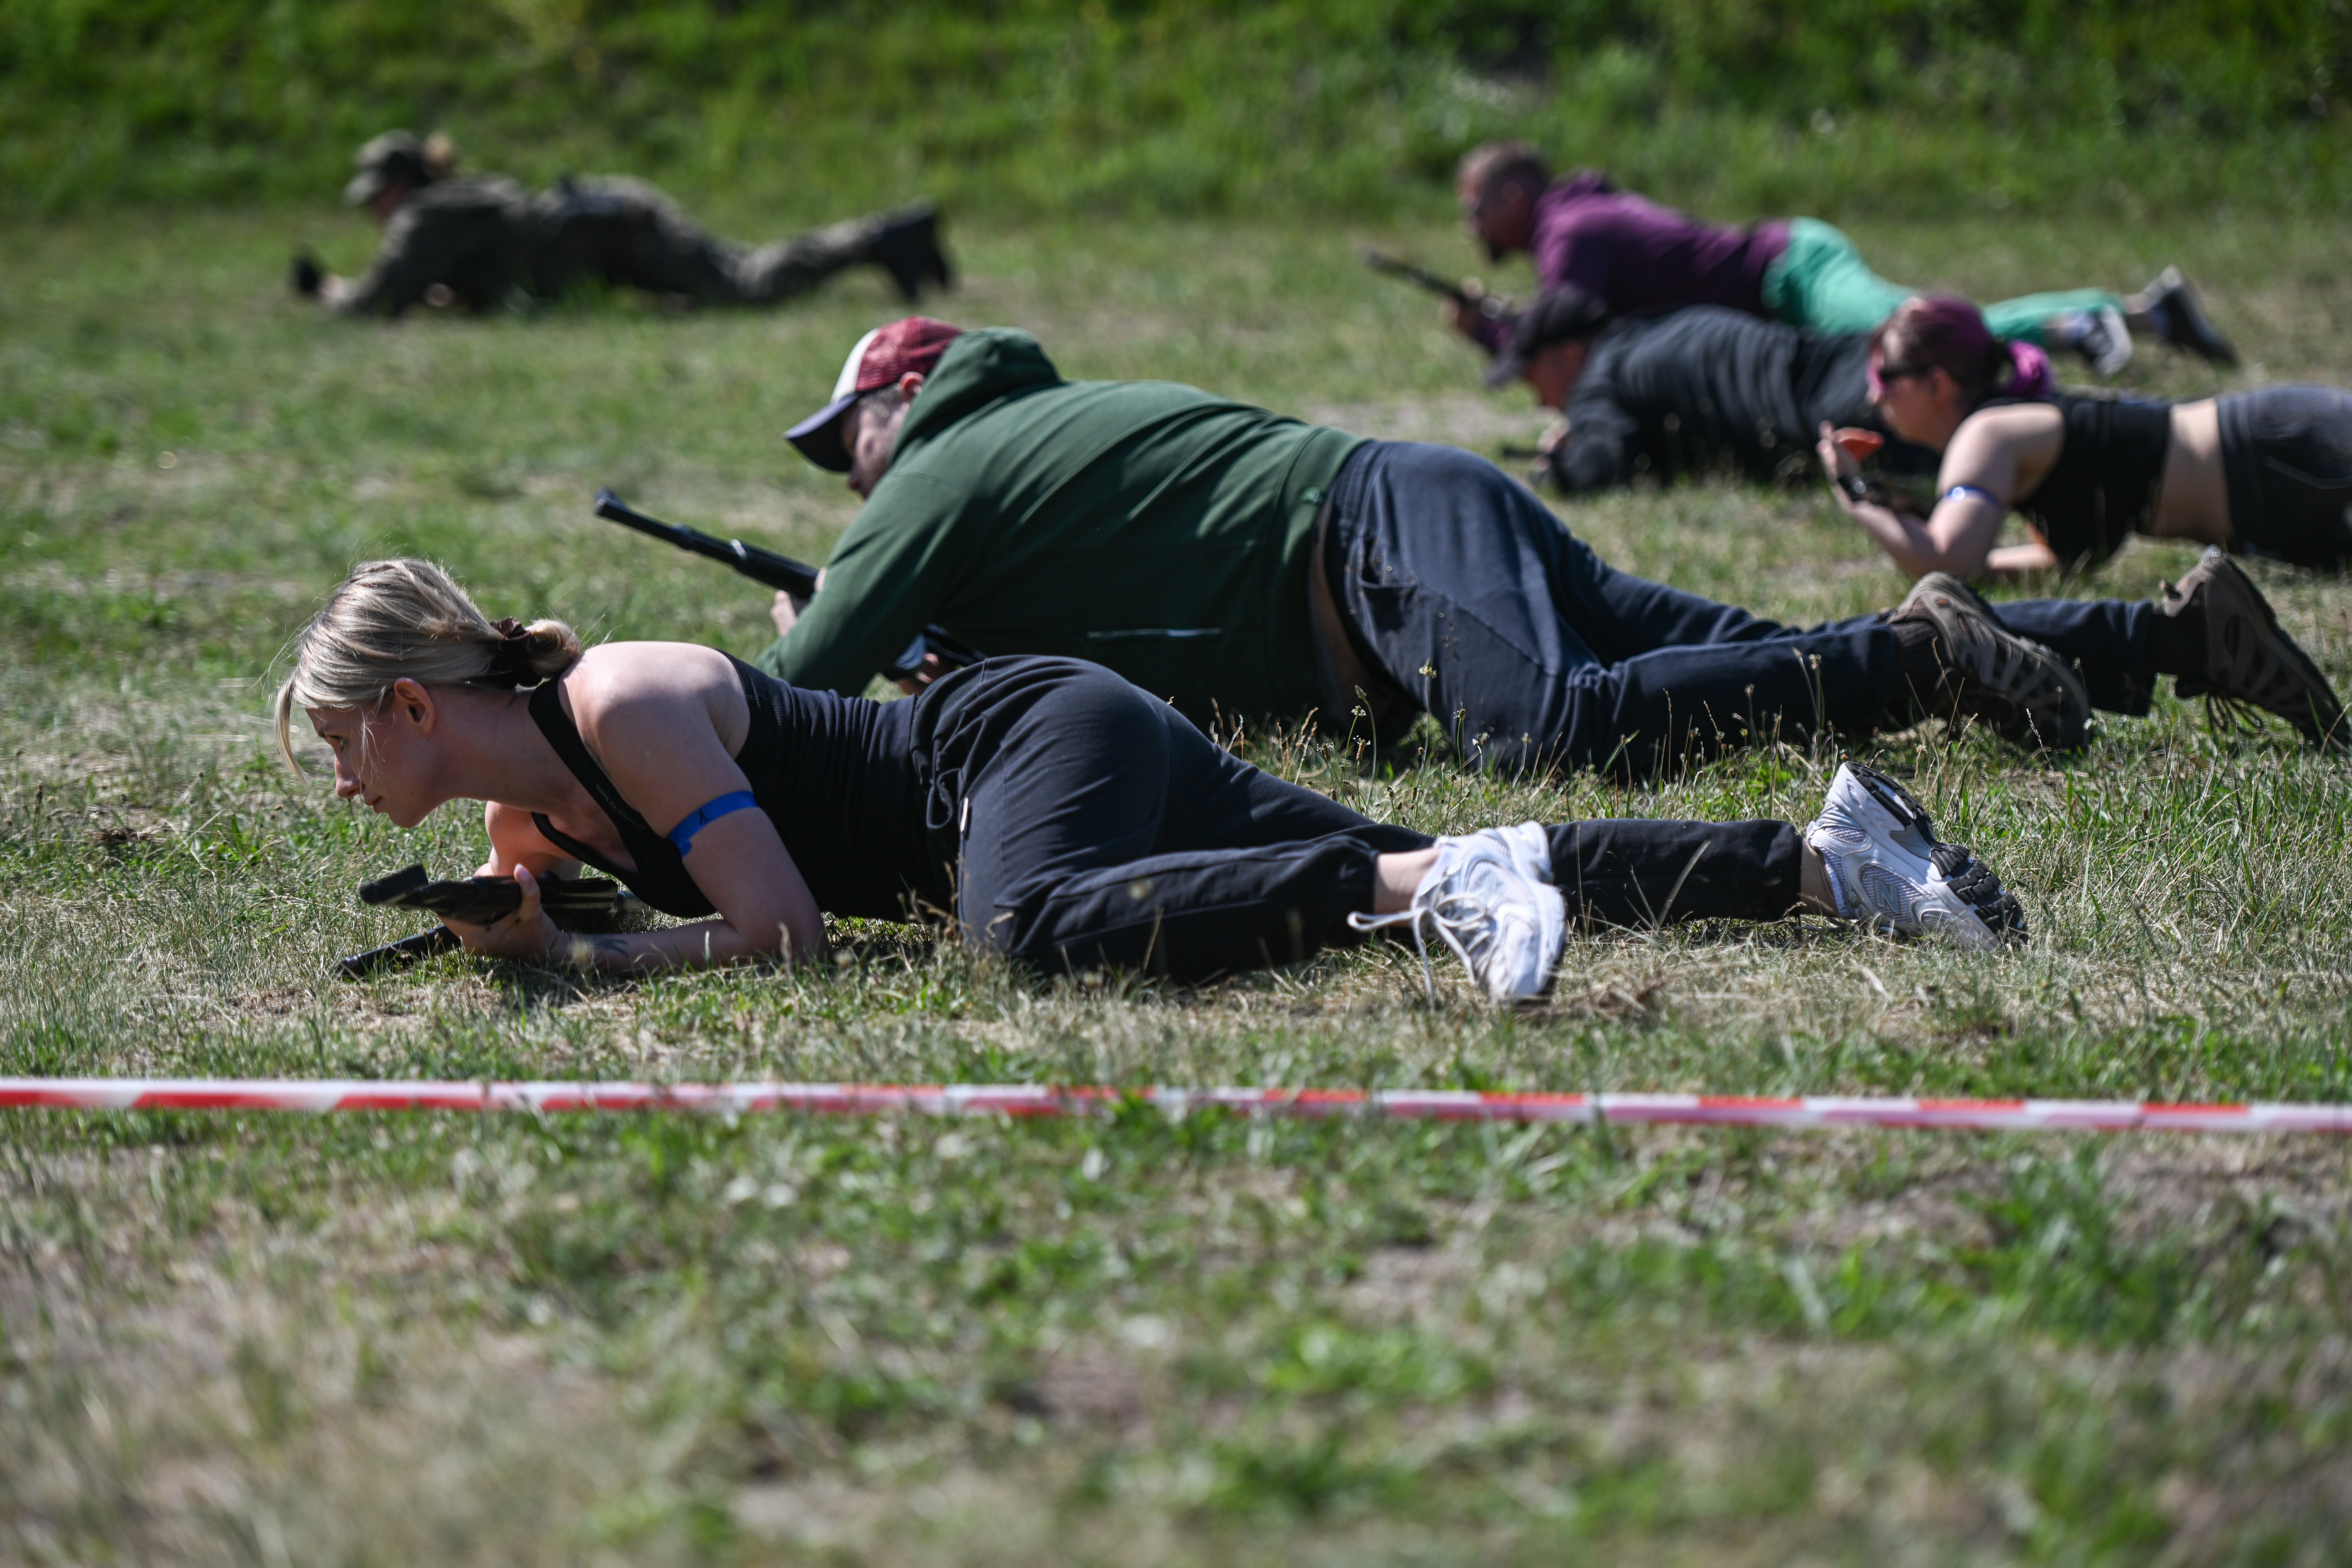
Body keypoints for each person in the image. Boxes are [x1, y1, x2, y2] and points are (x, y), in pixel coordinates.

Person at [275, 560, 2031, 1001]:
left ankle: (1429, 897)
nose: (335, 780)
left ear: (412, 704)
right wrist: (535, 921)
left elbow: (790, 937)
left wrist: (588, 965)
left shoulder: (625, 698)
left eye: (336, 738)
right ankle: (1821, 861)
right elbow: (634, 904)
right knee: (1417, 850)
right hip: (1049, 771)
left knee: (1027, 935)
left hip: (1015, 747)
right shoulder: (527, 819)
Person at [758, 315, 2333, 775]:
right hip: (1407, 516)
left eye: (846, 444)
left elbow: (793, 695)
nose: (850, 479)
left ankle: (1922, 656)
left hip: (1374, 549)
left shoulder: (940, 465)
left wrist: (857, 630)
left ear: (899, 396)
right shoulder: (1024, 444)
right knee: (1710, 648)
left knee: (1555, 730)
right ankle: (2169, 638)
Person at [1447, 141, 2237, 379]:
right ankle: (2146, 311)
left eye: (1476, 206)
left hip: (1793, 272)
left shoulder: (1569, 234)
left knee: (1917, 333)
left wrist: (1493, 337)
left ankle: (2086, 320)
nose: (1471, 224)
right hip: (1784, 274)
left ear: (1516, 196)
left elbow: (1570, 342)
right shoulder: (1577, 221)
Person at [293, 130, 951, 318]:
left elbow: (377, 301)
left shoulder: (426, 219)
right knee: (739, 276)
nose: (377, 210)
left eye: (379, 195)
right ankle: (886, 240)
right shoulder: (452, 208)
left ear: (404, 185)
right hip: (612, 228)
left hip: (619, 229)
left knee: (747, 285)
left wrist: (326, 289)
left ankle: (882, 238)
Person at [1487, 289, 1943, 495]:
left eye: (1534, 380)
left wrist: (1557, 469)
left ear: (1568, 355)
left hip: (1815, 413)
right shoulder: (1645, 328)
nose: (1542, 402)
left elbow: (1603, 466)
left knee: (1945, 438)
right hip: (1830, 357)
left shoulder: (1599, 379)